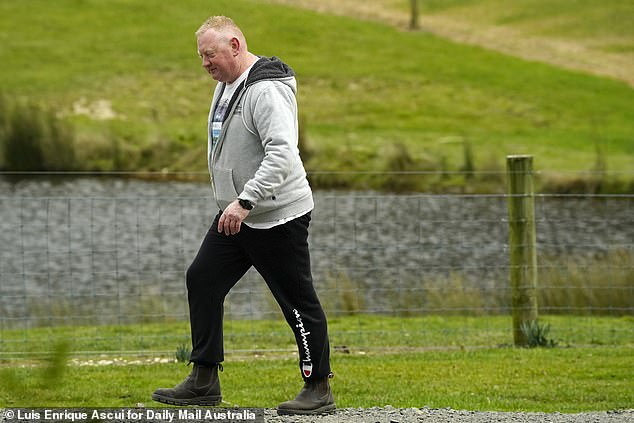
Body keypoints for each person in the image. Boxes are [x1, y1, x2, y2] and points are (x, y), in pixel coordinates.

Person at [151, 16, 335, 415]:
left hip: (273, 216)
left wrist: (245, 200)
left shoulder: (265, 90)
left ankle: (318, 387)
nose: (204, 63)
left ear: (234, 46)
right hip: (237, 216)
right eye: (200, 55)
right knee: (202, 278)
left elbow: (282, 154)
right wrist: (233, 202)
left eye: (210, 54)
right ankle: (204, 379)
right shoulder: (225, 85)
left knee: (297, 303)